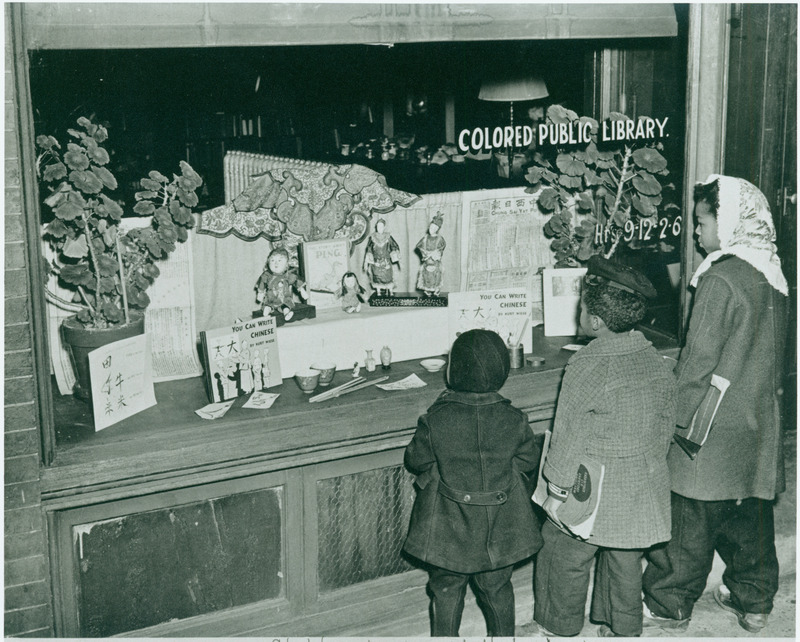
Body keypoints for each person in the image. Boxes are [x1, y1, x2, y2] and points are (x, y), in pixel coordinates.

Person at [642, 175, 789, 634]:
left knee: (689, 521)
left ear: (727, 224)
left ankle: (670, 604)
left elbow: (696, 363)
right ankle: (755, 601)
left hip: (711, 426)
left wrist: (670, 417)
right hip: (757, 421)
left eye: (702, 222)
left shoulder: (720, 279)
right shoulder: (772, 273)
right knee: (750, 517)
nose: (696, 232)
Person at [533, 255, 676, 638]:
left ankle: (558, 628)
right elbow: (666, 424)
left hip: (592, 486)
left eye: (582, 306)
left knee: (563, 552)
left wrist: (557, 488)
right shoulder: (655, 358)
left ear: (595, 322)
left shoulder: (587, 364)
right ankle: (623, 628)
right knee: (626, 558)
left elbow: (568, 434)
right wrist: (649, 464)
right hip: (642, 484)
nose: (579, 311)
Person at [403, 329, 542, 636]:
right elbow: (528, 462)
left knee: (446, 589)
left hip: (446, 529)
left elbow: (416, 460)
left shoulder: (435, 419)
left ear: (454, 370)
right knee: (497, 586)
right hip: (501, 528)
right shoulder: (515, 419)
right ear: (502, 372)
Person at [255, 247, 308, 321]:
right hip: (270, 298)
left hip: (284, 299)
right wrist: (260, 293)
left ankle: (286, 313)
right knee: (267, 305)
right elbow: (262, 284)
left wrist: (302, 291)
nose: (276, 263)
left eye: (279, 260)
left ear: (286, 264)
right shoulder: (266, 275)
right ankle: (267, 311)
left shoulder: (288, 275)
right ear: (268, 262)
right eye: (272, 260)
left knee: (285, 307)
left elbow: (296, 281)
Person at [364, 218, 401, 296]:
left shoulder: (388, 237)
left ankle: (390, 290)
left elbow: (394, 246)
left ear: (384, 227)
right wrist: (368, 259)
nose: (379, 228)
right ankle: (378, 291)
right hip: (376, 261)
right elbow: (369, 249)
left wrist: (395, 253)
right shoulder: (372, 237)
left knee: (388, 276)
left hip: (386, 260)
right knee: (377, 276)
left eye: (381, 227)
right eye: (378, 226)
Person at [415, 212, 446, 296]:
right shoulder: (425, 238)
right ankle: (427, 290)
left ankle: (436, 289)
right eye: (430, 227)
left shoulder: (440, 239)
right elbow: (418, 246)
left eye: (433, 227)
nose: (431, 229)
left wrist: (435, 253)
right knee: (426, 276)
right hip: (426, 261)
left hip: (435, 262)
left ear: (437, 229)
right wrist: (425, 253)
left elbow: (442, 248)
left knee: (436, 276)